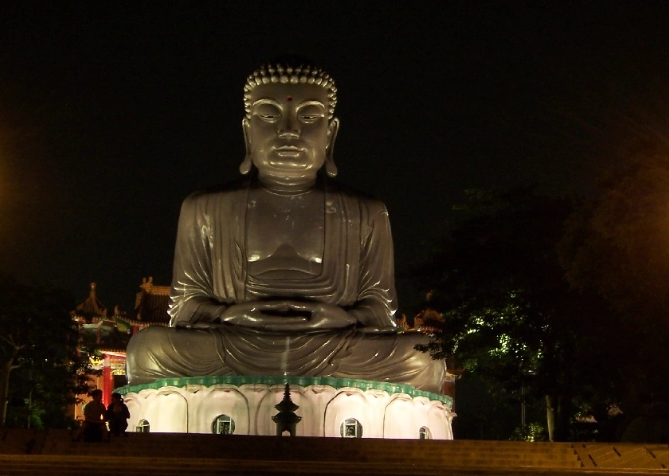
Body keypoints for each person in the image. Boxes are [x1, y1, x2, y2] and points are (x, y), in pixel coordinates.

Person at [125, 59, 444, 393]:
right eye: (268, 115)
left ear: (330, 134)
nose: (289, 130)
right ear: (248, 132)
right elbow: (185, 306)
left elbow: (380, 309)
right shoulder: (204, 208)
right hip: (234, 344)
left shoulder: (366, 212)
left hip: (333, 346)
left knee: (424, 358)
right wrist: (232, 315)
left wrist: (344, 318)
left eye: (308, 117)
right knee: (147, 349)